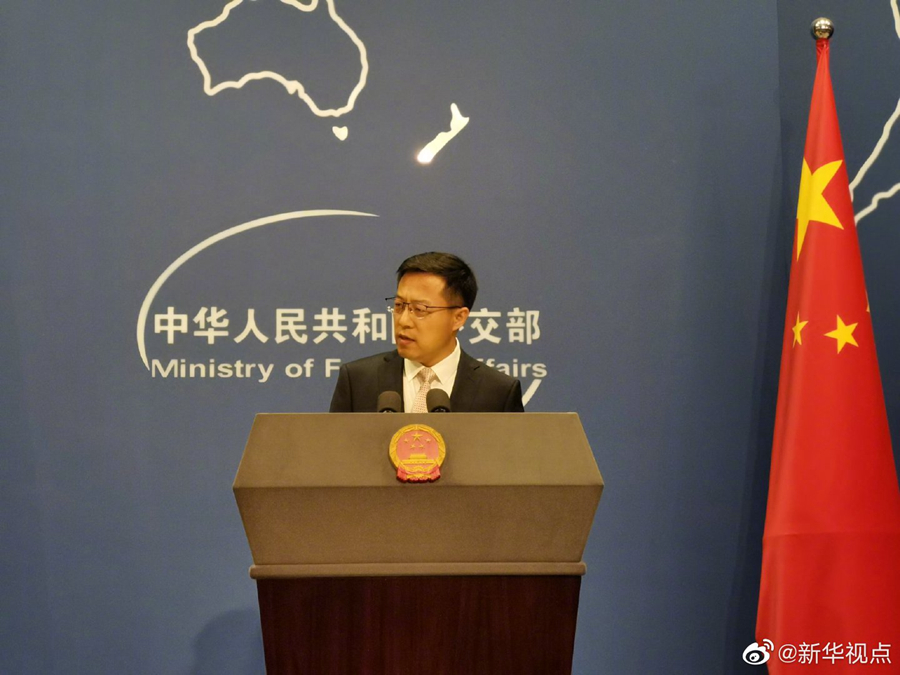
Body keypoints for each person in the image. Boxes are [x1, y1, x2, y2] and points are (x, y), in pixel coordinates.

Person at [329, 252, 524, 412]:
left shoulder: (498, 392)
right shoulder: (358, 381)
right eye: (399, 306)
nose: (403, 321)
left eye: (420, 309)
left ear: (458, 318)